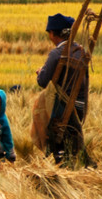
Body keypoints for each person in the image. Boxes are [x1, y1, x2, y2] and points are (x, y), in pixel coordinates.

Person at [36, 12, 90, 166]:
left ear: (53, 34)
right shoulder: (81, 52)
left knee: (40, 111)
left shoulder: (56, 53)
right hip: (80, 106)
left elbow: (43, 81)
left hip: (63, 110)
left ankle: (54, 154)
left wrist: (40, 72)